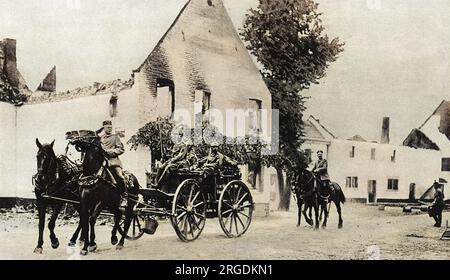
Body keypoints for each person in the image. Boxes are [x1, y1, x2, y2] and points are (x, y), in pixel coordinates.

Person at [97, 120, 128, 208]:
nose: (109, 129)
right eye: (107, 127)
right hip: (103, 162)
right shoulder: (101, 138)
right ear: (104, 128)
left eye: (110, 127)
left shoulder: (115, 137)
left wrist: (110, 151)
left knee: (120, 176)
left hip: (114, 162)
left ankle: (124, 196)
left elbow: (121, 149)